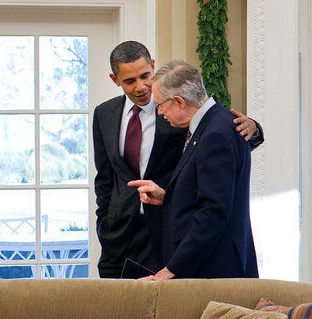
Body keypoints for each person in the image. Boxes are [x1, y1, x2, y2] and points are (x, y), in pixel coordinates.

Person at [92, 42, 262, 278]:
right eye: (130, 81)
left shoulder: (181, 108)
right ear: (115, 79)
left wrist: (252, 130)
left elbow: (220, 141)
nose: (141, 87)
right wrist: (105, 225)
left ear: (152, 66)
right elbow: (104, 179)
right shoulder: (104, 114)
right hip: (119, 238)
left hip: (168, 234)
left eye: (145, 76)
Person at [129, 60, 258, 280]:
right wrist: (167, 196)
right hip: (213, 264)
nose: (159, 112)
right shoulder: (218, 122)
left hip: (214, 269)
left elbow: (213, 213)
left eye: (160, 105)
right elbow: (204, 191)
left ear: (179, 101)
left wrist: (172, 269)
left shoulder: (215, 134)